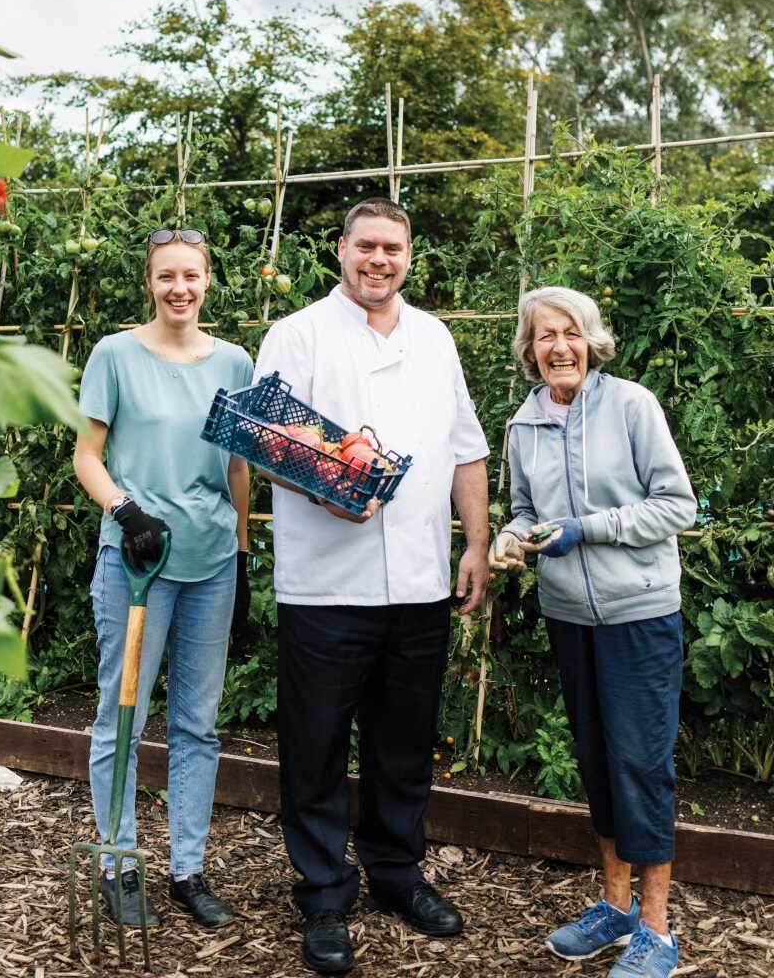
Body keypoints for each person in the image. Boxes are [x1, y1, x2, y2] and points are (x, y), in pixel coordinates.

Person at [252, 196, 492, 976]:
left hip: (420, 580)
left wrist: (477, 544)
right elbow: (263, 436)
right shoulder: (297, 333)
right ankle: (323, 893)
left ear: (410, 256)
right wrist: (323, 486)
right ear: (342, 250)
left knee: (403, 742)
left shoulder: (435, 338)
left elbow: (465, 450)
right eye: (366, 248)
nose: (379, 261)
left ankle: (396, 873)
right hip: (326, 585)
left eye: (392, 249)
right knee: (315, 747)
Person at [488, 285, 697, 978]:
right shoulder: (523, 425)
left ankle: (658, 931)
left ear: (591, 340)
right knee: (600, 765)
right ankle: (614, 908)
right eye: (544, 335)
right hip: (570, 618)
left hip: (639, 613)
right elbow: (524, 510)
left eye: (570, 333)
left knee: (642, 764)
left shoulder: (632, 405)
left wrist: (585, 531)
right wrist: (510, 539)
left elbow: (676, 505)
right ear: (529, 350)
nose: (558, 347)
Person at [72, 228, 254, 932]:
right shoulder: (115, 354)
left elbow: (239, 468)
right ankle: (117, 864)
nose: (180, 288)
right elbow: (88, 456)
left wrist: (240, 555)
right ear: (149, 283)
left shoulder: (235, 362)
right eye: (167, 276)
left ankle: (187, 868)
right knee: (123, 716)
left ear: (208, 281)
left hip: (210, 563)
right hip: (137, 562)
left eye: (192, 275)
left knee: (198, 725)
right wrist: (125, 508)